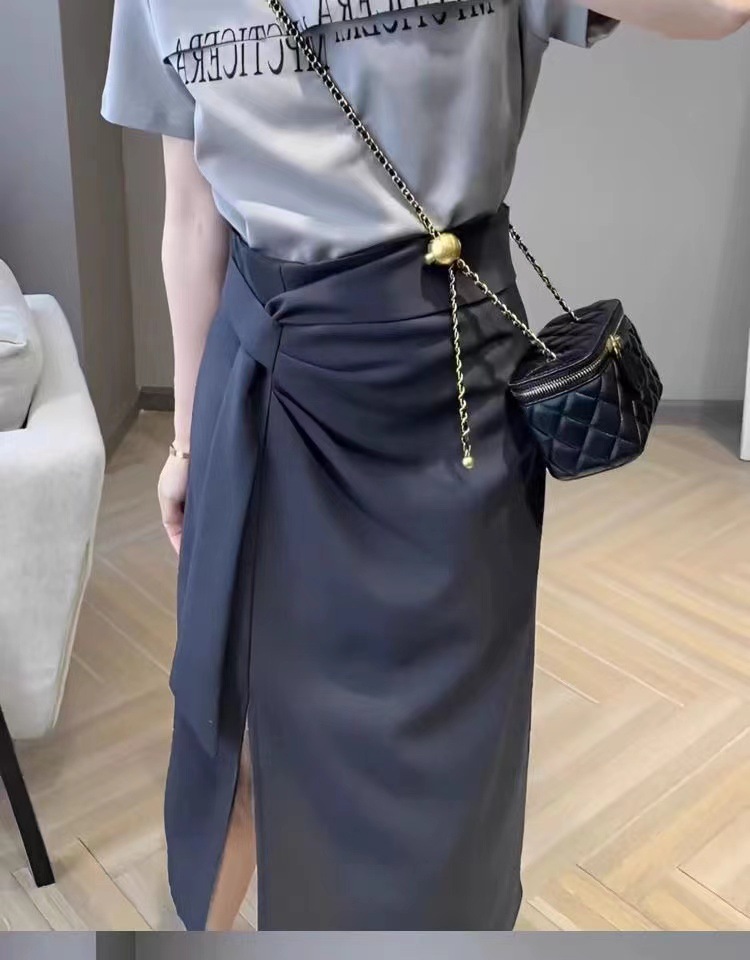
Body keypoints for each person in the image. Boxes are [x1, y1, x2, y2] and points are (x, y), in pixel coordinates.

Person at [101, 0, 749, 933]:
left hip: (445, 399)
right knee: (230, 731)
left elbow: (719, 12)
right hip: (264, 386)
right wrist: (189, 444)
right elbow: (192, 215)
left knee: (438, 769)